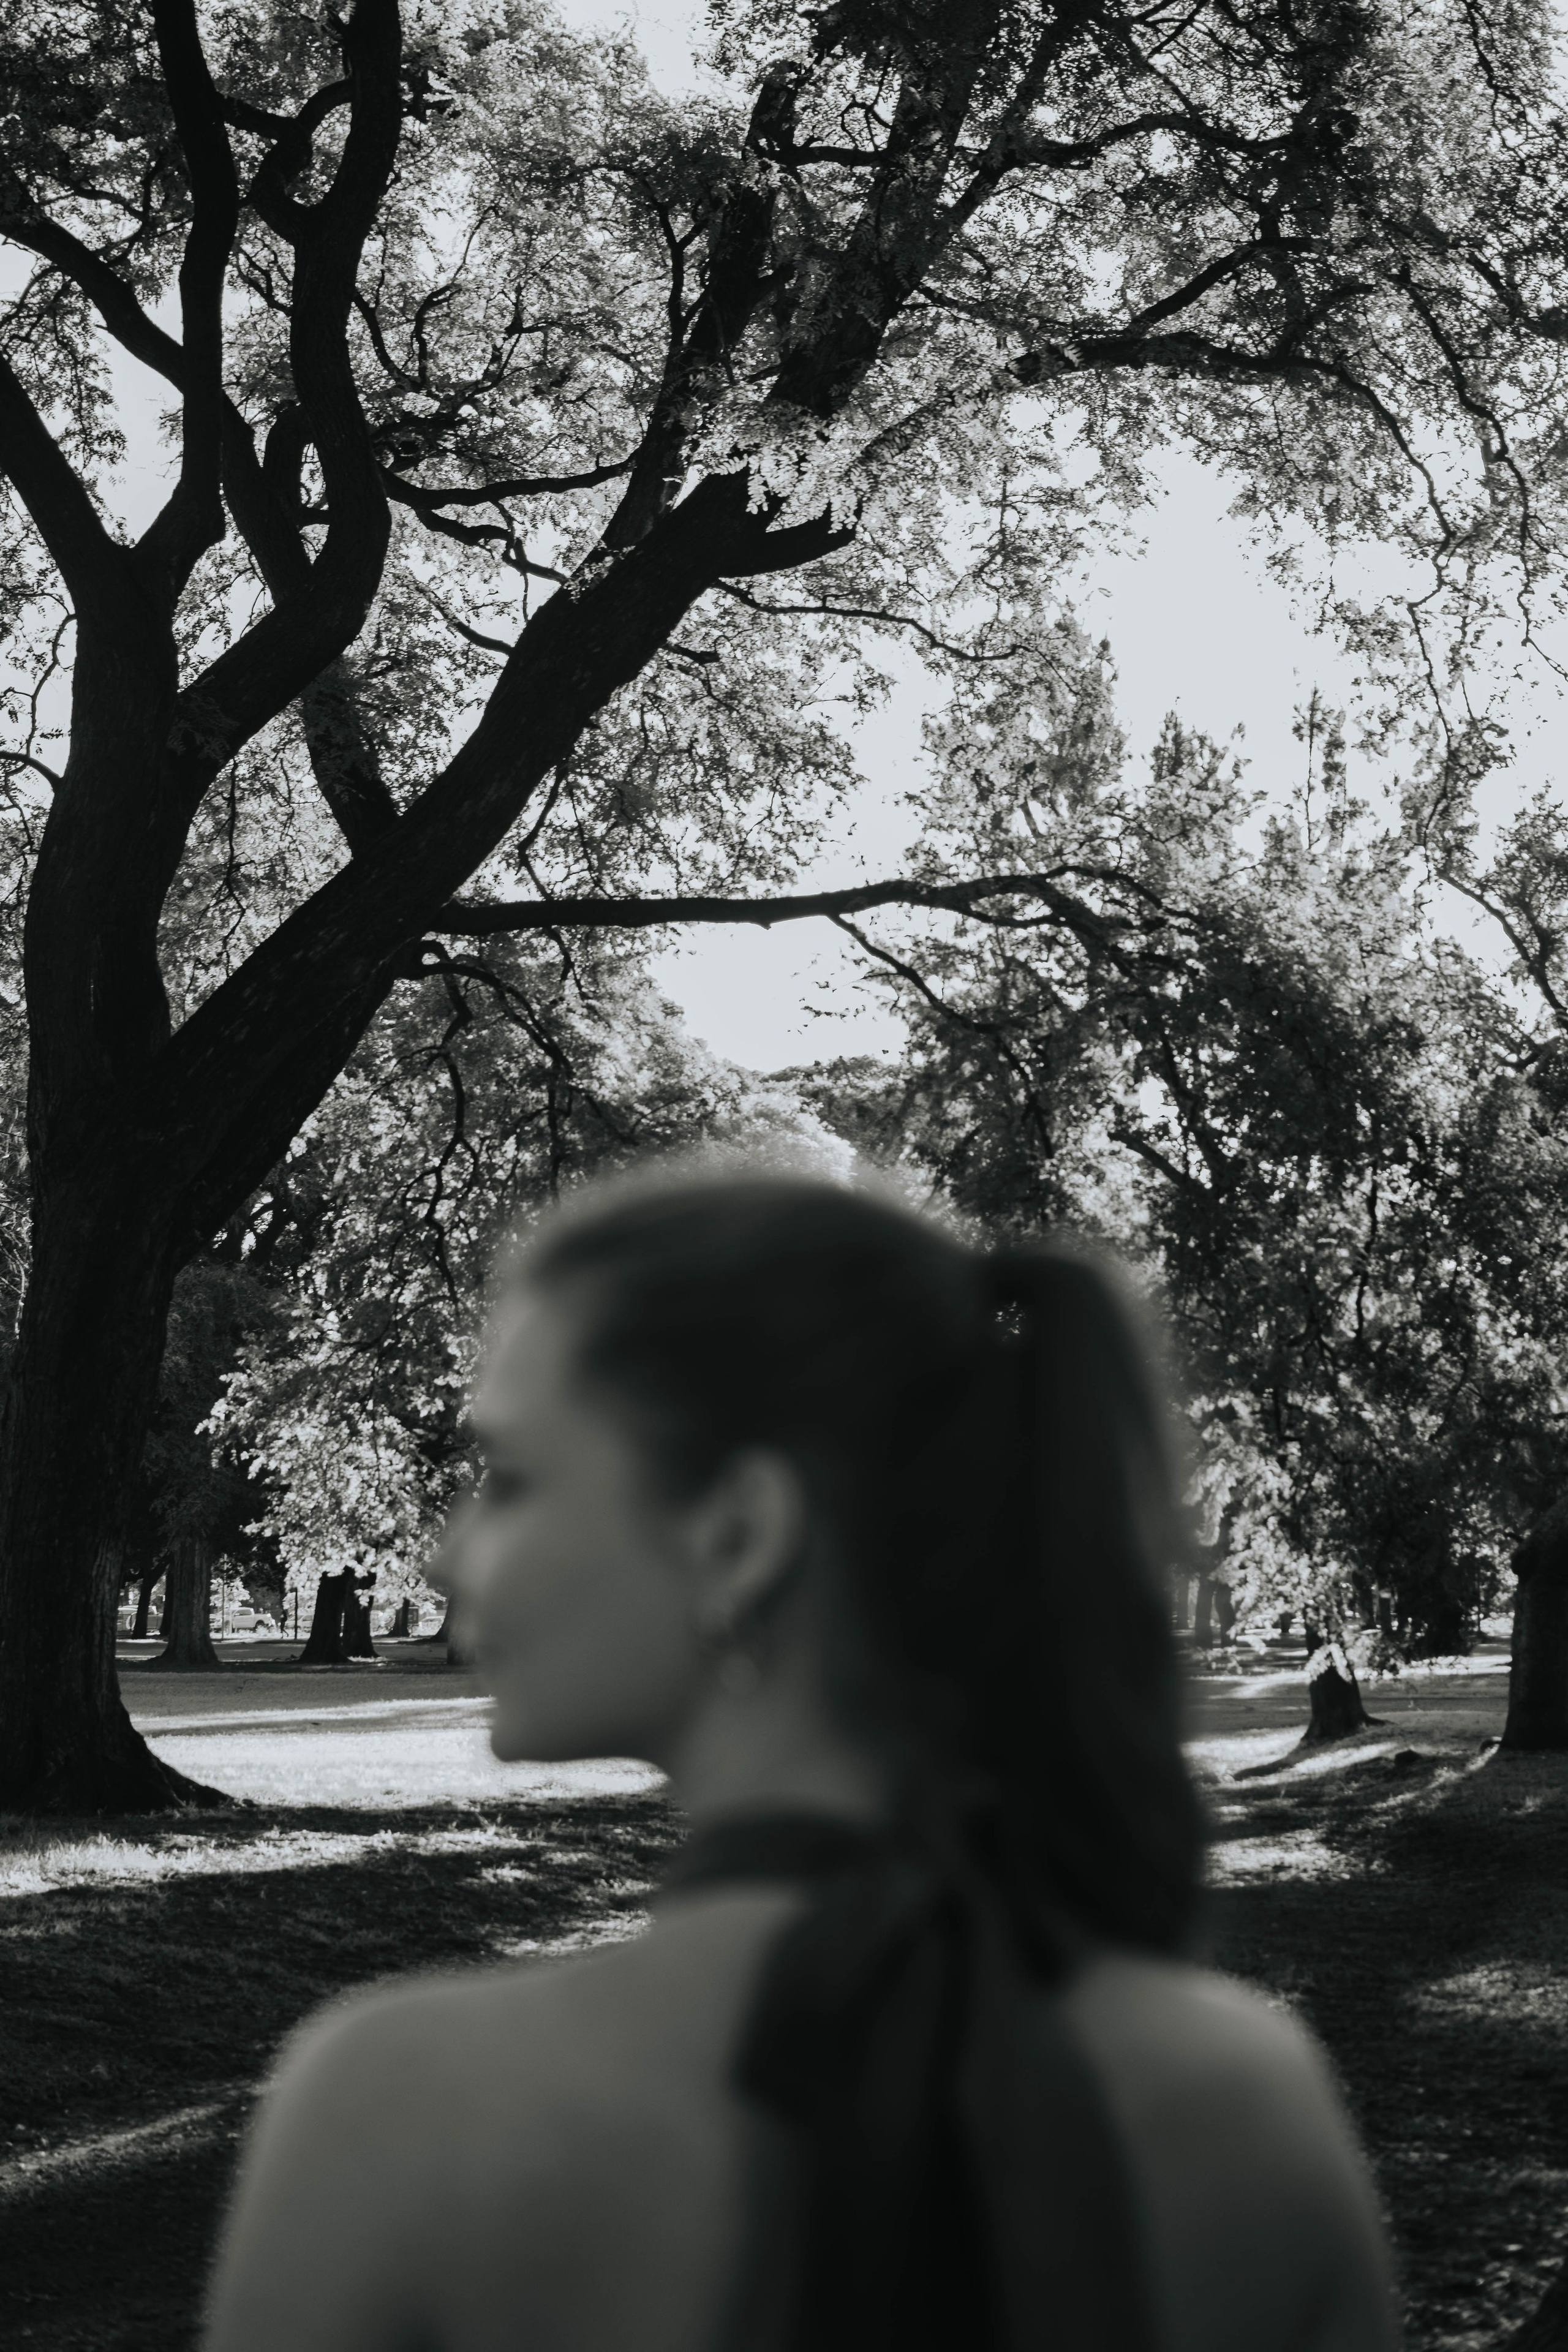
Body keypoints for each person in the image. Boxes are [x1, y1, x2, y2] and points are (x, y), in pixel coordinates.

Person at [202, 1164, 1398, 2352]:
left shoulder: (396, 2109)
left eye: (508, 1479)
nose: (441, 1557)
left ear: (738, 1534)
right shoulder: (1244, 2101)